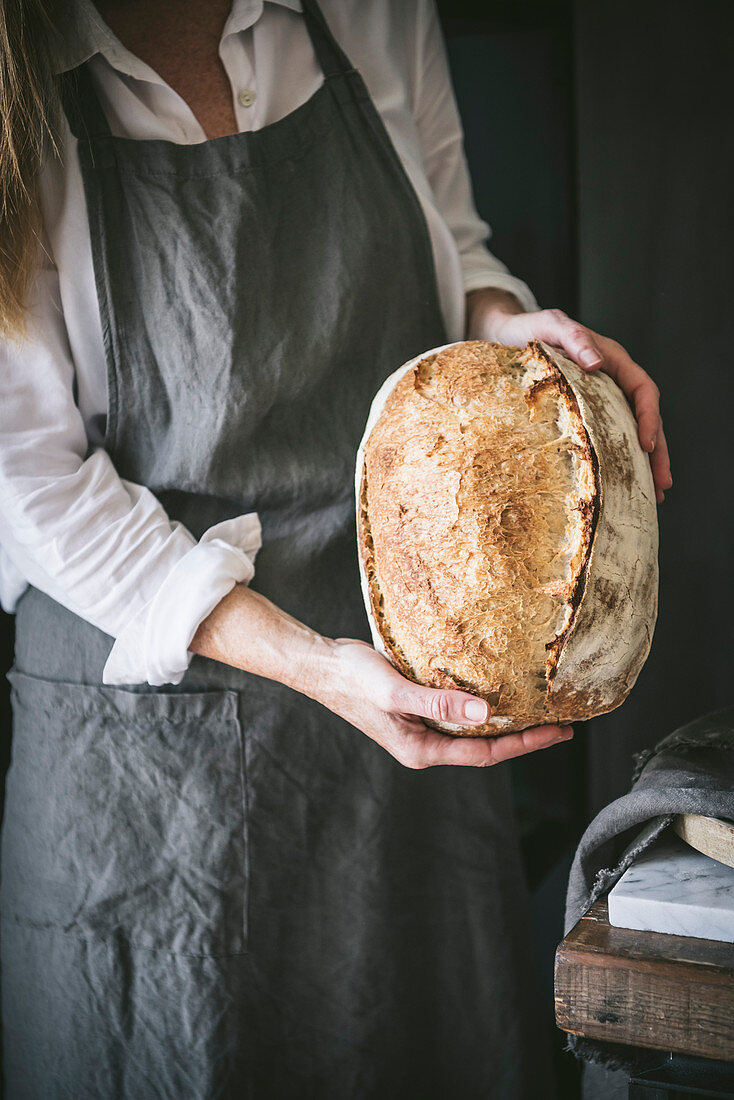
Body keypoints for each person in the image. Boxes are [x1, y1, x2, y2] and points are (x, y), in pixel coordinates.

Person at [0, 1, 672, 1097]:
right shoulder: (17, 73)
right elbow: (23, 478)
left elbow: (449, 236)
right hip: (143, 779)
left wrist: (514, 331)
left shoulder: (371, 10)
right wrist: (311, 662)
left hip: (404, 740)